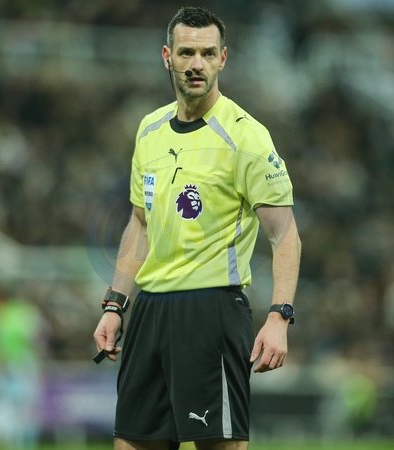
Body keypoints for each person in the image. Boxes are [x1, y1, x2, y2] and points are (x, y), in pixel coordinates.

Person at [93, 6, 301, 450]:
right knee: (130, 443)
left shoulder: (246, 136)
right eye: (187, 52)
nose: (196, 64)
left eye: (208, 53)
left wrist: (279, 316)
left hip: (212, 312)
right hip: (149, 311)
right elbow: (139, 224)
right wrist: (115, 304)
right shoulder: (149, 130)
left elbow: (285, 234)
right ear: (167, 56)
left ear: (223, 59)